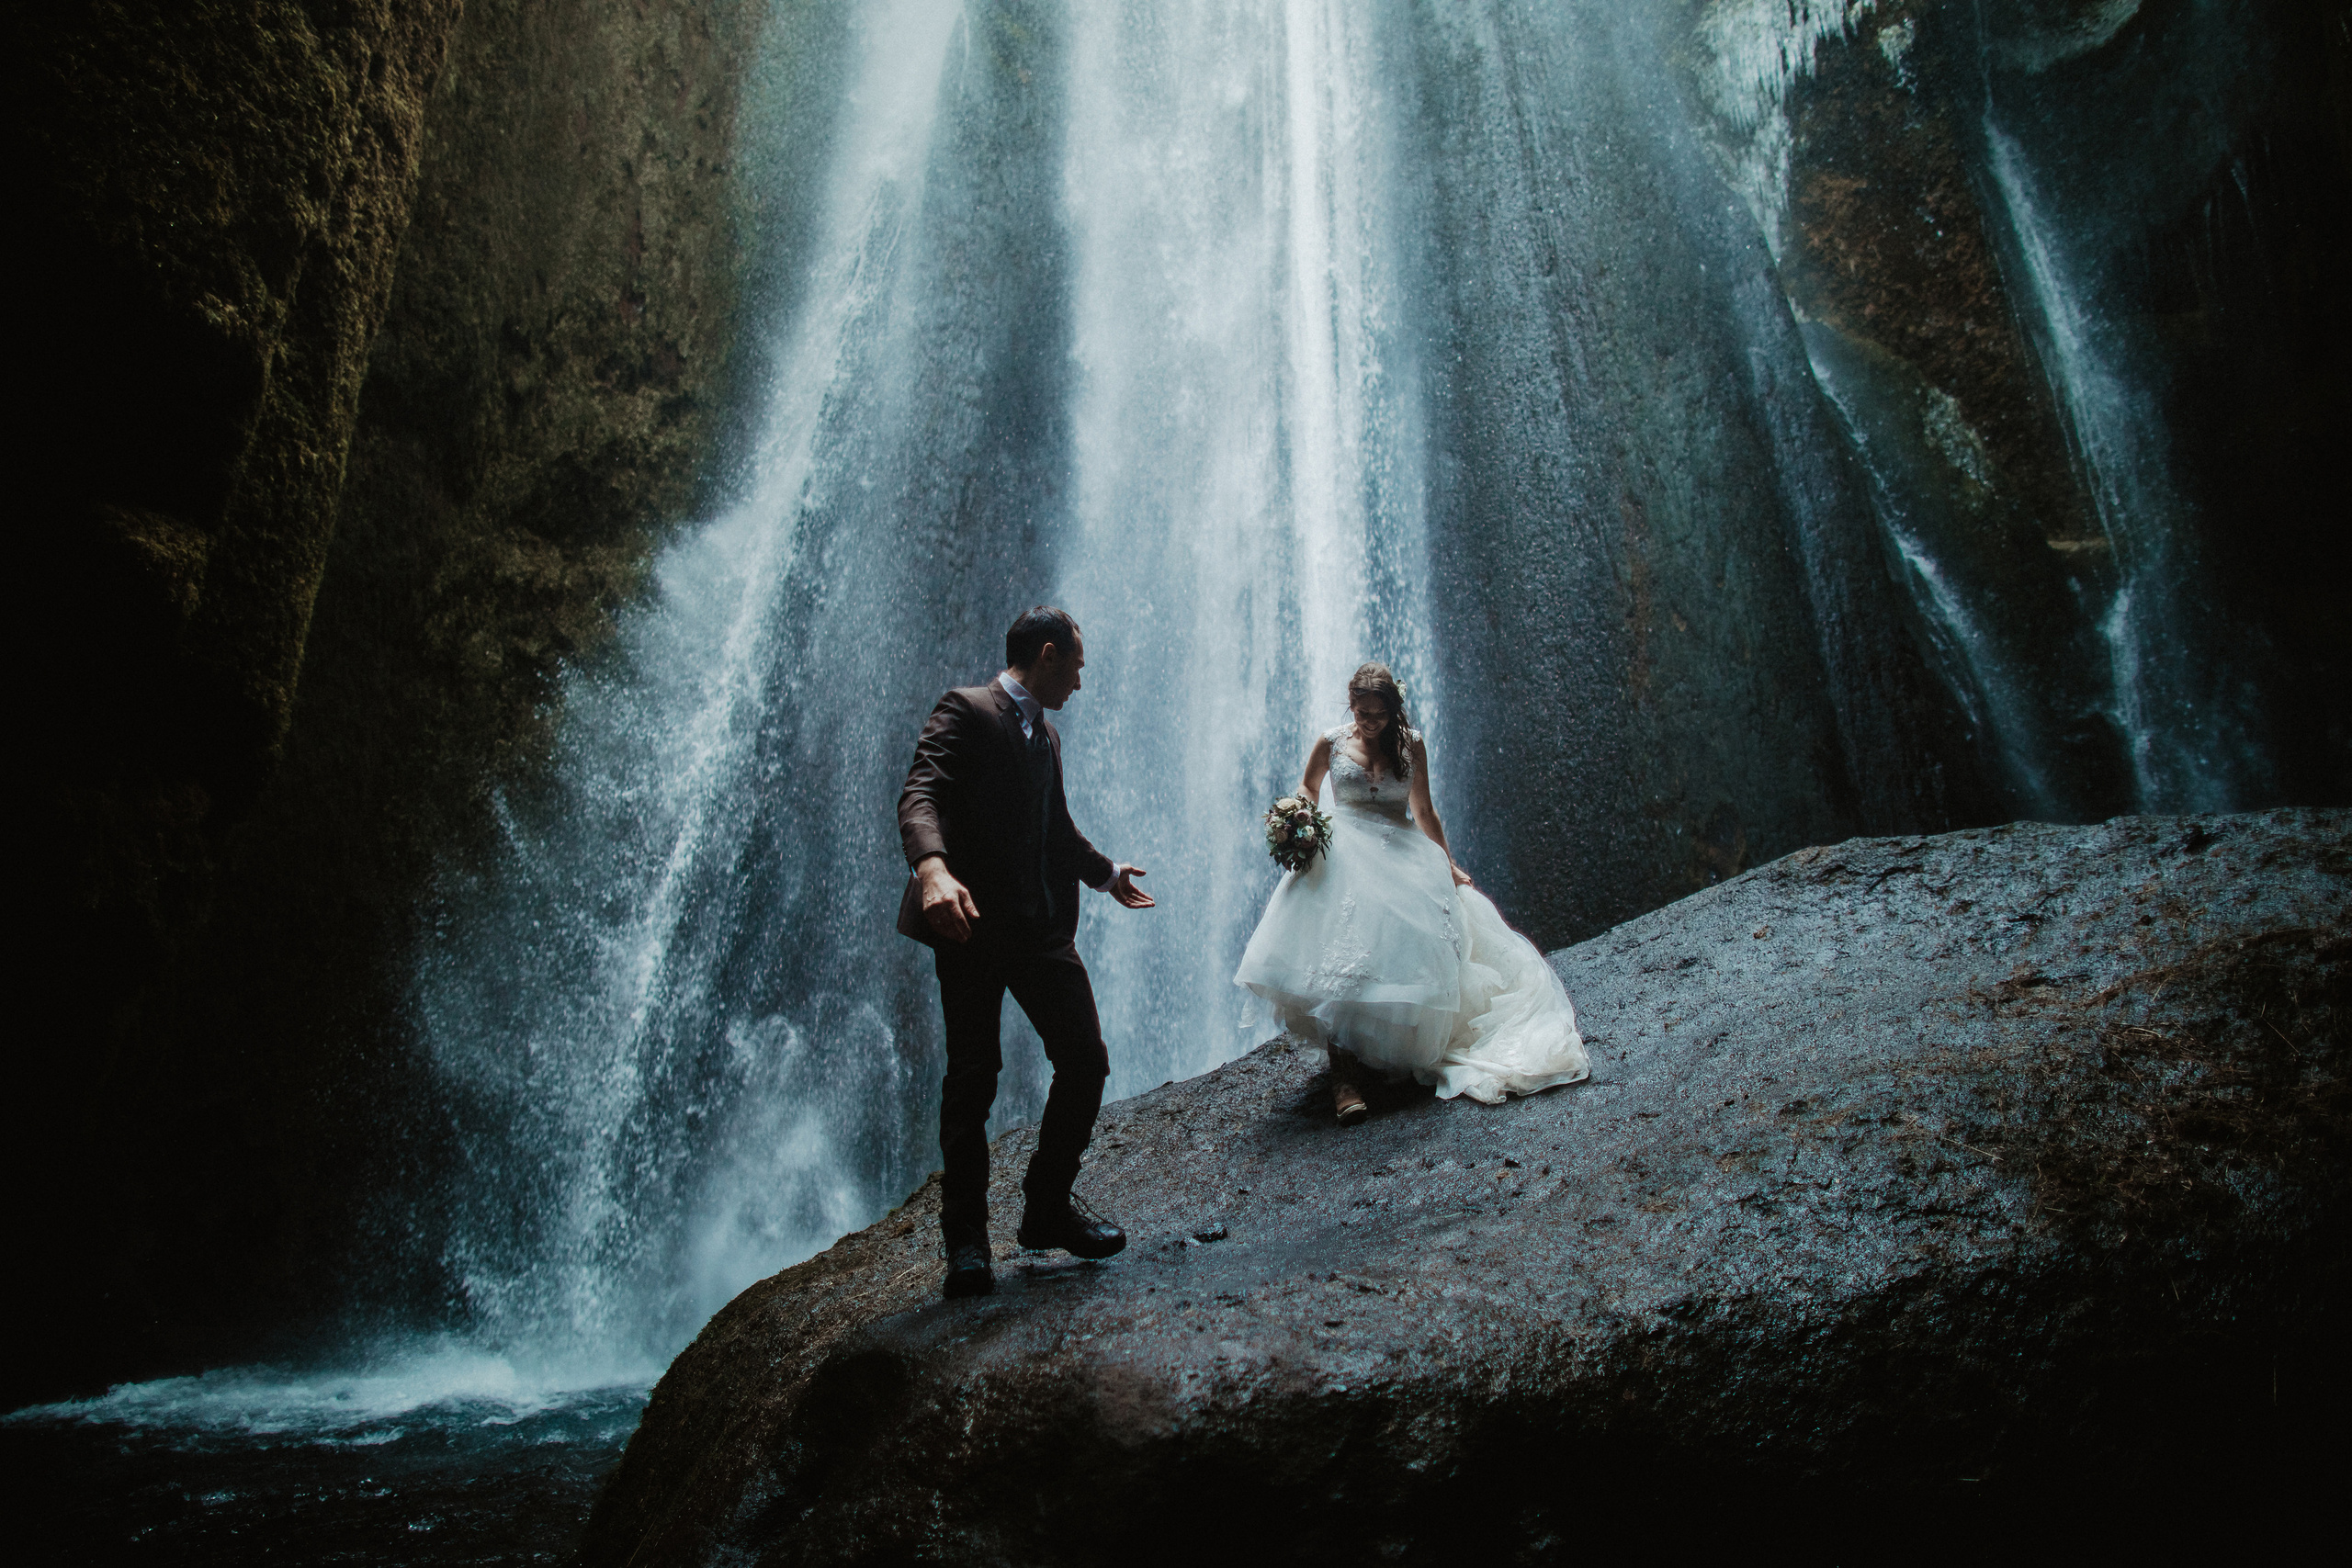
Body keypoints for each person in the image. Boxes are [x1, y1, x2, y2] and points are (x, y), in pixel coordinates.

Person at [897, 606, 1156, 1298]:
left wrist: (1105, 875)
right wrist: (932, 869)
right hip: (971, 924)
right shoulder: (966, 708)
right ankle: (968, 1246)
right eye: (1077, 664)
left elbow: (1056, 829)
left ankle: (1045, 1207)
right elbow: (922, 792)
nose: (1080, 679)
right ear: (1047, 654)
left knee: (1085, 1059)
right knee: (973, 1078)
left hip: (1039, 930)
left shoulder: (1046, 735)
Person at [1234, 663, 1589, 1121]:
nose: (1368, 722)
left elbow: (1423, 809)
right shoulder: (1332, 740)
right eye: (1361, 713)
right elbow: (1309, 785)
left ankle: (1384, 1052)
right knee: (1339, 953)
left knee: (1407, 947)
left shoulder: (1412, 744)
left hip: (1400, 851)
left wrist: (1448, 862)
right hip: (1342, 852)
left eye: (1377, 715)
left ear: (1393, 711)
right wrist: (1299, 818)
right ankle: (1344, 1080)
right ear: (1351, 706)